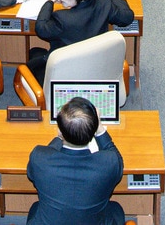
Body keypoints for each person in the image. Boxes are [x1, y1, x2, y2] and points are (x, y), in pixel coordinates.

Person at [26, 96, 126, 225]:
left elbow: (34, 171)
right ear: (93, 130)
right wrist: (100, 129)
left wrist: (59, 138)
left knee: (36, 207)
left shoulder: (39, 157)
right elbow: (116, 156)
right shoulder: (109, 162)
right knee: (116, 208)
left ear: (60, 131)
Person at [27, 0, 134, 80]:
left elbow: (41, 28)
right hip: (96, 69)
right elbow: (127, 17)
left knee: (35, 53)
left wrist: (50, 2)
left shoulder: (62, 18)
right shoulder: (104, 5)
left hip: (64, 75)